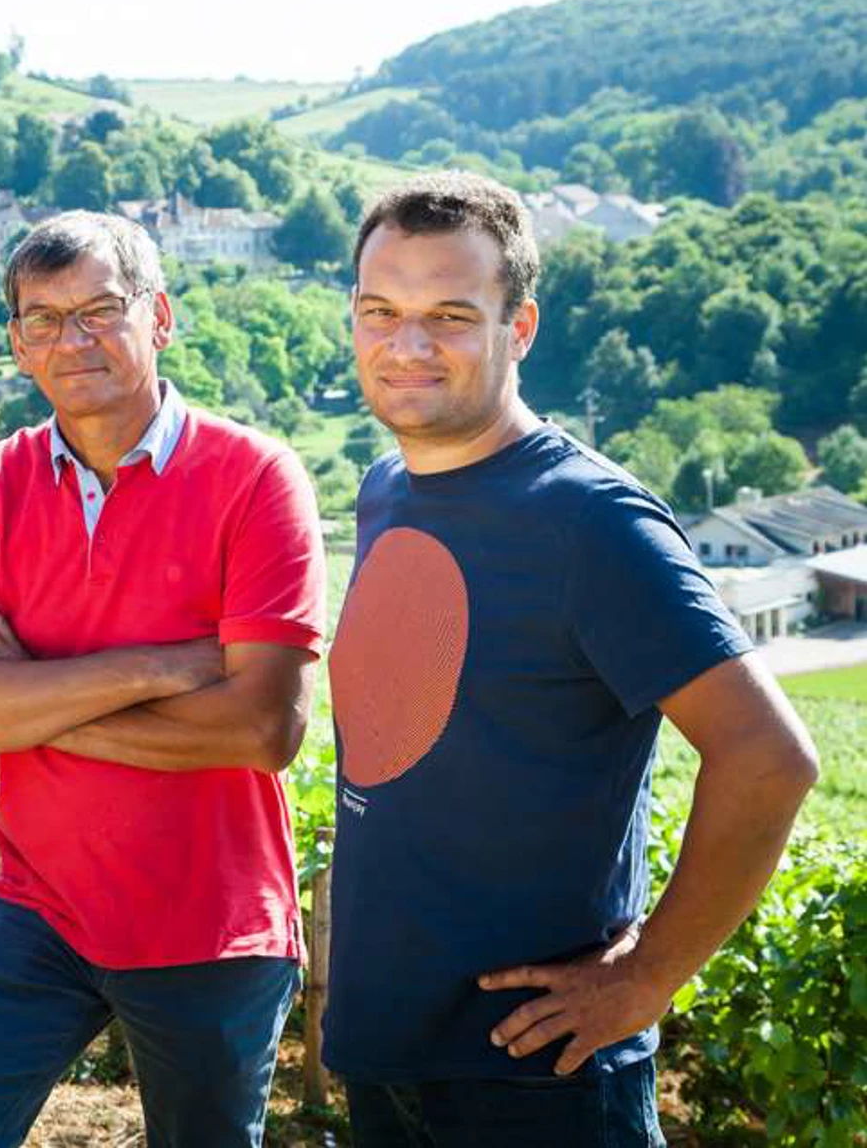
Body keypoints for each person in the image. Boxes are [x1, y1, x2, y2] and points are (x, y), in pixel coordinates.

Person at [324, 171, 820, 1145]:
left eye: (449, 316)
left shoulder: (590, 522)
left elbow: (769, 758)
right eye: (380, 310)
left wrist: (647, 976)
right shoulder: (386, 488)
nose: (406, 344)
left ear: (518, 329)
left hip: (534, 1082)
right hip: (386, 1052)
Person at [0, 212, 326, 1148]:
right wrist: (159, 666)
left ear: (159, 317)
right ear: (16, 345)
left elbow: (260, 731)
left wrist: (23, 697)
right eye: (42, 319)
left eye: (99, 311)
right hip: (34, 906)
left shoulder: (256, 478)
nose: (71, 340)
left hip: (211, 922)